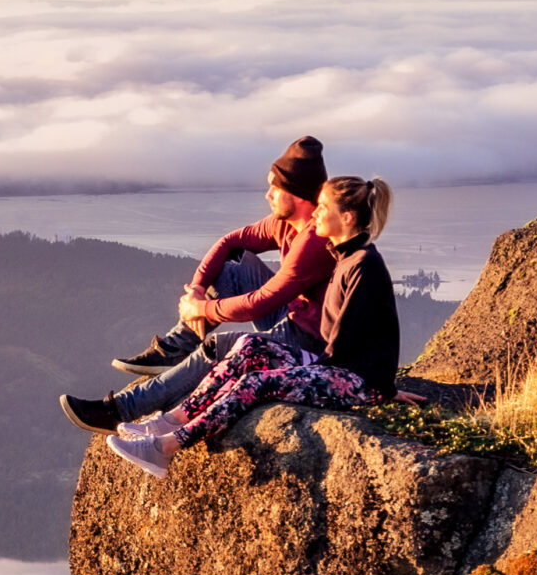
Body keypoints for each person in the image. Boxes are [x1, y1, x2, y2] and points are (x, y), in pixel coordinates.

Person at [106, 177, 399, 478]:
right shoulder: (345, 257)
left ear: (347, 218)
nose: (315, 213)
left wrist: (383, 387)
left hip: (354, 378)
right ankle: (171, 420)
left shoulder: (363, 265)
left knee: (257, 382)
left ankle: (165, 447)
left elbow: (346, 346)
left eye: (323, 207)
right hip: (340, 367)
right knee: (248, 346)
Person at [58, 138, 334, 434]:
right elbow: (230, 242)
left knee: (222, 348)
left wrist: (203, 308)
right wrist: (198, 290)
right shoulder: (284, 223)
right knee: (234, 270)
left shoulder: (314, 241)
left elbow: (261, 302)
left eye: (275, 188)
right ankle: (174, 349)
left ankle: (121, 410)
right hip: (293, 315)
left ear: (297, 194)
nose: (267, 195)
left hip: (310, 341)